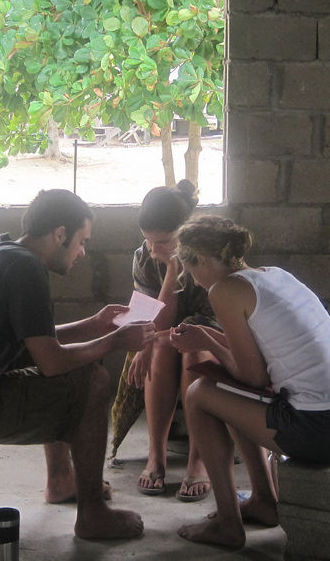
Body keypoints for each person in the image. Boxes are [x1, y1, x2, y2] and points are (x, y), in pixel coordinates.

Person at [0, 189, 154, 540]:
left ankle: (62, 481)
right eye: (81, 241)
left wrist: (92, 325)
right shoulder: (26, 269)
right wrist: (113, 342)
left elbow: (33, 339)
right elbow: (50, 362)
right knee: (93, 380)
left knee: (70, 372)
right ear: (60, 234)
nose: (82, 253)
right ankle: (93, 514)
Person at [167, 216, 330, 549]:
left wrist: (206, 341)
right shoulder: (276, 275)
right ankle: (264, 501)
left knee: (199, 394)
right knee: (231, 394)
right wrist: (208, 336)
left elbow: (253, 375)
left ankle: (227, 523)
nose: (192, 279)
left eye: (190, 271)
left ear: (204, 261)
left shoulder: (225, 290)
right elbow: (257, 370)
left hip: (325, 429)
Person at [109, 180, 216, 502]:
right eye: (148, 240)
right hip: (165, 331)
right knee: (159, 350)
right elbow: (153, 317)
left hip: (212, 332)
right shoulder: (144, 257)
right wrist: (146, 342)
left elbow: (212, 321)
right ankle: (157, 455)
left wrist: (173, 268)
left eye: (165, 241)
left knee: (192, 351)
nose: (155, 248)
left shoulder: (210, 255)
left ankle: (199, 460)